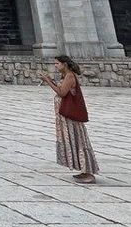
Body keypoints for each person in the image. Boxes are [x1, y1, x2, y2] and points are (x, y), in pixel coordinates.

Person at [40, 56, 99, 184]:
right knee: (72, 141)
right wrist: (51, 81)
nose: (55, 66)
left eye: (57, 63)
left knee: (78, 141)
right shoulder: (65, 76)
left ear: (64, 64)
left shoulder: (70, 76)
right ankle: (83, 171)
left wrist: (47, 81)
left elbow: (62, 93)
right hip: (64, 116)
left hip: (70, 116)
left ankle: (89, 172)